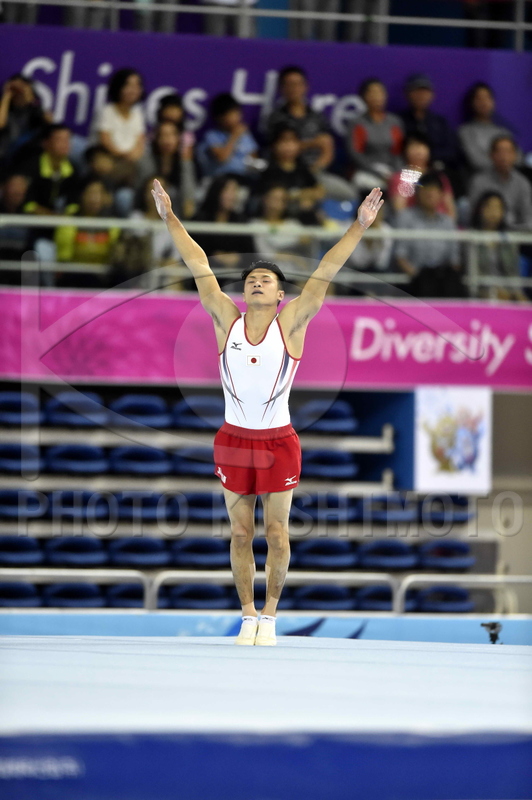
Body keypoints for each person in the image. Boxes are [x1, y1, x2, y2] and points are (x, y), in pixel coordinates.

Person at [151, 176, 383, 645]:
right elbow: (197, 262)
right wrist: (170, 217)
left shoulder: (292, 323)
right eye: (251, 280)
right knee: (240, 534)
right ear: (243, 293)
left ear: (280, 296)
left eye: (267, 280)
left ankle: (271, 616)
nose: (257, 283)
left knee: (277, 532)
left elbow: (326, 270)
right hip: (233, 439)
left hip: (279, 441)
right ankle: (247, 614)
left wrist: (359, 227)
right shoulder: (226, 320)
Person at [265, 66, 354, 201]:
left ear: (305, 86)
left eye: (297, 84)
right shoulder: (276, 118)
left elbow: (327, 146)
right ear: (281, 88)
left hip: (315, 172)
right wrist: (312, 143)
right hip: (286, 173)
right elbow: (276, 148)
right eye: (289, 84)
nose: (294, 89)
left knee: (349, 194)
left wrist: (313, 171)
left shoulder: (317, 117)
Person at [395, 172, 465, 298]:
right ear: (417, 193)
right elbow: (400, 256)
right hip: (415, 279)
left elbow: (454, 259)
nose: (430, 194)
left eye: (434, 190)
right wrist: (418, 276)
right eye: (426, 189)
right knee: (426, 285)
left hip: (443, 279)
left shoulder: (447, 222)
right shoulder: (405, 218)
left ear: (441, 195)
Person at [347, 78, 403, 191]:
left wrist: (396, 173)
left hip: (392, 170)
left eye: (380, 92)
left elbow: (399, 152)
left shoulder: (394, 122)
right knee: (371, 185)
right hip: (366, 171)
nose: (377, 96)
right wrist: (378, 174)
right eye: (372, 93)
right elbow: (355, 155)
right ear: (363, 97)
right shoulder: (357, 124)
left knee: (412, 184)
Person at [256, 125, 325, 219]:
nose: (288, 146)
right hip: (276, 217)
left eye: (293, 141)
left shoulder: (302, 168)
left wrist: (296, 195)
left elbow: (319, 192)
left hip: (300, 219)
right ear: (274, 145)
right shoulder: (269, 170)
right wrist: (301, 195)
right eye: (284, 141)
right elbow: (276, 195)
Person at [470, 191, 526, 302]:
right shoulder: (472, 238)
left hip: (508, 292)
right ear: (480, 210)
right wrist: (492, 292)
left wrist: (515, 293)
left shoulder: (509, 239)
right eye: (489, 207)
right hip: (483, 293)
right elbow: (473, 275)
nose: (493, 212)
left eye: (498, 208)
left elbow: (513, 272)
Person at [468, 136, 532, 230]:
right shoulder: (479, 181)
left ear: (515, 155)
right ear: (491, 155)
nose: (504, 156)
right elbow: (473, 214)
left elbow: (527, 216)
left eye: (508, 152)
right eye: (500, 151)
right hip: (485, 230)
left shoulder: (522, 183)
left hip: (514, 232)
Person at [137, 121, 196, 218]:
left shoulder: (184, 163)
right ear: (157, 139)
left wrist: (188, 207)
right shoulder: (147, 161)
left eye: (171, 135)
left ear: (178, 139)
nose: (167, 140)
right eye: (163, 135)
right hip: (149, 209)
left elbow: (188, 191)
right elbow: (140, 190)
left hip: (176, 209)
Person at [388, 133, 455, 219]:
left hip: (439, 222)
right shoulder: (399, 178)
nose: (418, 151)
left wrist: (448, 224)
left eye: (422, 146)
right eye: (414, 146)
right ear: (405, 151)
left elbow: (450, 208)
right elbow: (399, 210)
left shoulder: (439, 177)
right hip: (413, 223)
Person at [399, 74, 457, 172]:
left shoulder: (440, 122)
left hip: (436, 169)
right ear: (407, 94)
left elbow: (451, 151)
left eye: (425, 92)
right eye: (417, 91)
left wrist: (427, 157)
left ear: (432, 95)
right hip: (407, 170)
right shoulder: (399, 121)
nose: (421, 95)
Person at [93, 68, 146, 173]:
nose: (133, 90)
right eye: (128, 85)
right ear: (119, 87)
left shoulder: (138, 114)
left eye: (137, 86)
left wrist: (133, 156)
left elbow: (140, 142)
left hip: (131, 161)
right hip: (108, 157)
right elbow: (105, 140)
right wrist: (121, 155)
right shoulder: (107, 111)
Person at [458, 83, 518, 174]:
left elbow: (519, 157)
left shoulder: (503, 131)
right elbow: (476, 161)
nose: (484, 102)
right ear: (472, 103)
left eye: (488, 98)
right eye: (479, 98)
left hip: (509, 177)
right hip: (481, 177)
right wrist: (503, 164)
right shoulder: (465, 131)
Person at [197, 93, 258, 179]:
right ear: (219, 117)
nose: (236, 118)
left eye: (237, 113)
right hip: (220, 179)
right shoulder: (211, 136)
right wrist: (234, 136)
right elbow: (222, 158)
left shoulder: (245, 135)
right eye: (231, 114)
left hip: (244, 179)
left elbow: (254, 160)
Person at [0, 74, 51, 170]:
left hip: (26, 155)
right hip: (5, 154)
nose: (19, 93)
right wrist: (7, 95)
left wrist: (31, 99)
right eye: (16, 90)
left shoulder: (34, 108)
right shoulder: (4, 107)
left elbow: (49, 123)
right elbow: (1, 123)